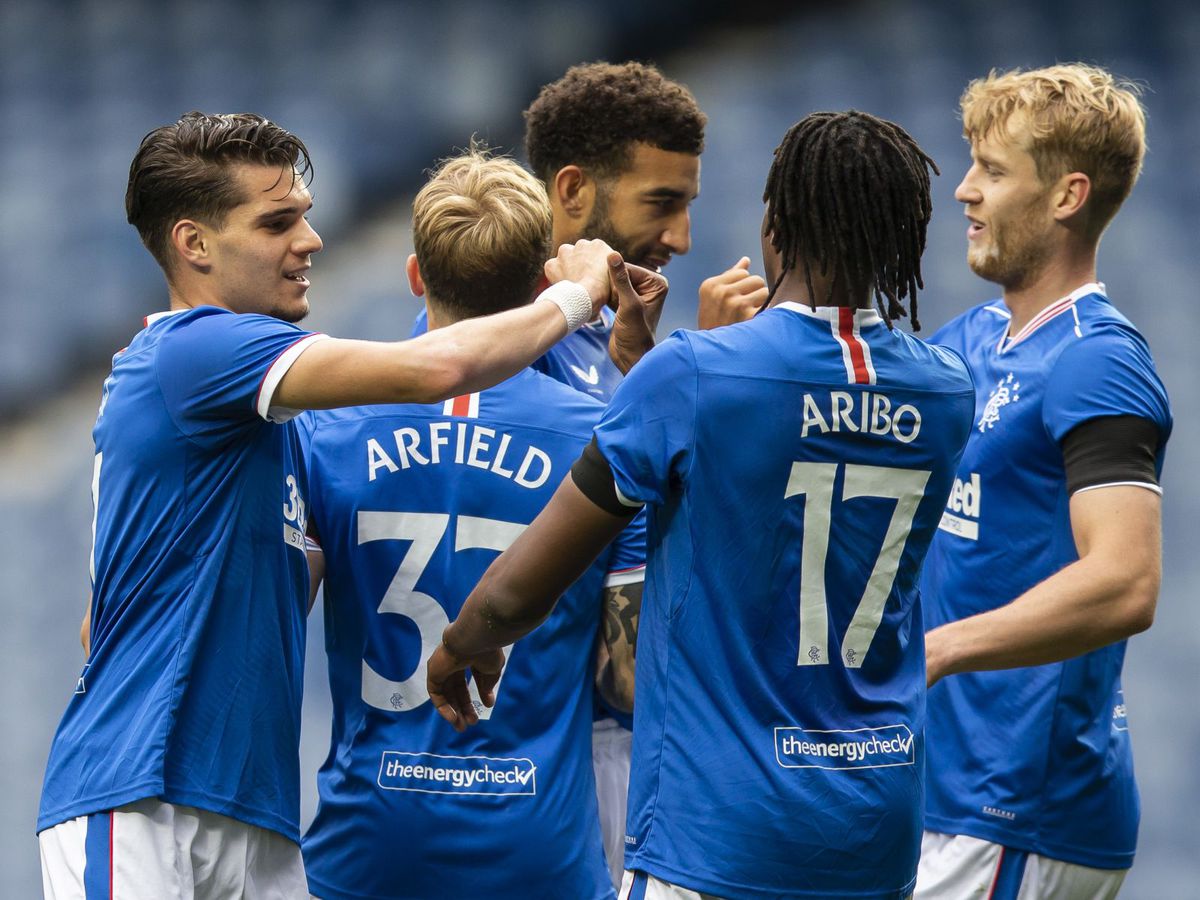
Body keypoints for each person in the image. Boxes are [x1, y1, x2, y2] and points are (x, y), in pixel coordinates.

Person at [36, 111, 624, 899]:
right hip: (147, 801)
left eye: (307, 217)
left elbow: (100, 624)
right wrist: (580, 297)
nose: (310, 241)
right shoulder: (196, 351)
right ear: (193, 243)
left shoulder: (268, 425)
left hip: (253, 812)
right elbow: (434, 369)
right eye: (279, 221)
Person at [428, 110, 977, 899]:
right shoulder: (949, 388)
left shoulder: (694, 375)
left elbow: (527, 583)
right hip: (877, 828)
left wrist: (463, 644)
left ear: (775, 222)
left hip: (717, 835)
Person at [298, 146, 657, 900]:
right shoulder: (606, 442)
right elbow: (625, 682)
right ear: (539, 287)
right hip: (537, 851)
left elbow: (270, 617)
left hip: (368, 848)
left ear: (415, 276)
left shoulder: (327, 429)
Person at [915, 65, 1172, 899]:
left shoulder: (1097, 359)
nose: (964, 192)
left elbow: (1125, 582)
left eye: (992, 171)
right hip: (947, 793)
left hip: (1019, 805)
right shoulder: (973, 337)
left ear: (1067, 196)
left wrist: (940, 651)